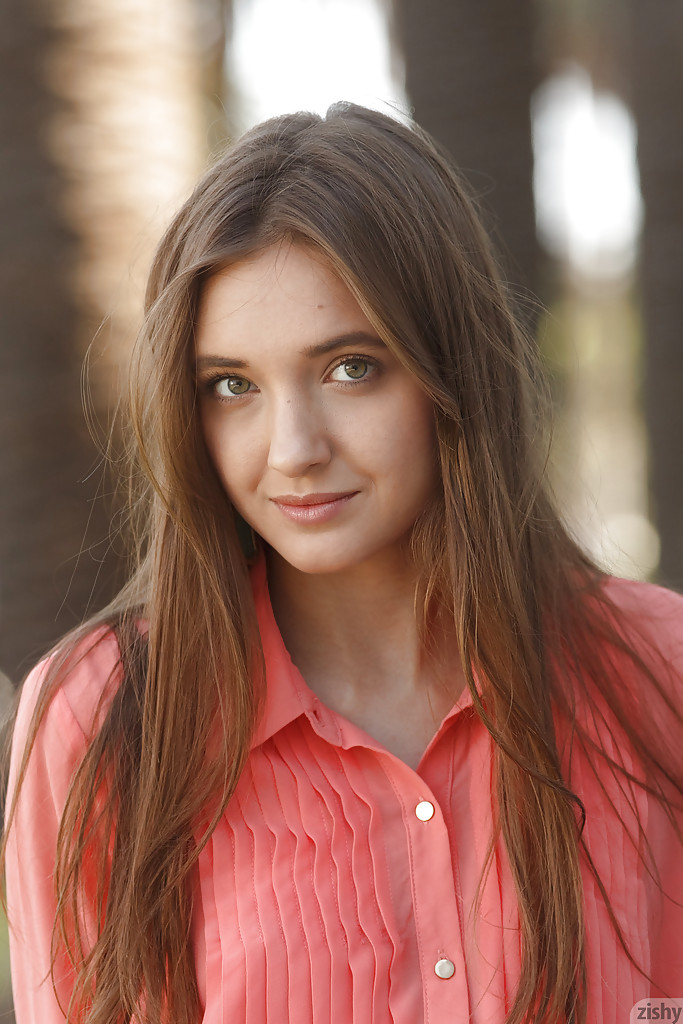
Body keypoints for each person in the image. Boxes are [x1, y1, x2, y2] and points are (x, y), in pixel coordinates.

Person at [2, 101, 683, 1024]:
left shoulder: (659, 677)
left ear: (450, 369)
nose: (292, 448)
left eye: (350, 367)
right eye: (231, 386)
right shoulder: (103, 722)